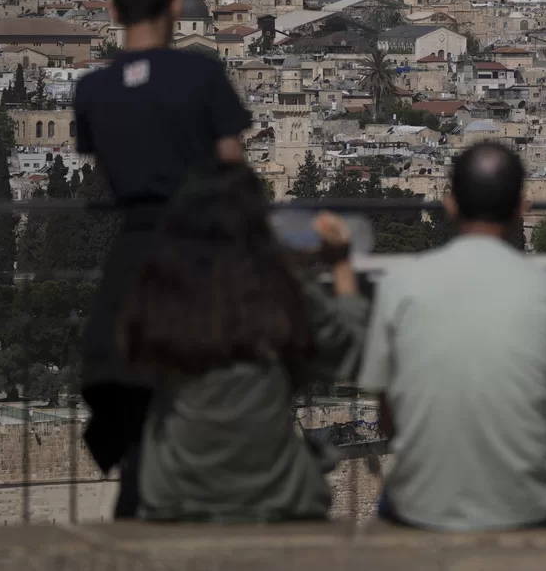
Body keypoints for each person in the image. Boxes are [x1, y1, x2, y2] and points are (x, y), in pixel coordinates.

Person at [74, 0, 251, 518]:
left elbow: (107, 166)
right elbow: (232, 163)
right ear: (176, 6)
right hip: (198, 250)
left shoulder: (93, 90)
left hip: (133, 253)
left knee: (129, 384)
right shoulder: (202, 75)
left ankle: (137, 504)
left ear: (111, 10)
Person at [119, 163, 369, 521]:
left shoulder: (159, 296)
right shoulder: (285, 290)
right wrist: (341, 264)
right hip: (277, 497)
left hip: (176, 496)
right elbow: (352, 353)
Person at [358, 142, 546, 530]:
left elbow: (388, 421)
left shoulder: (398, 285)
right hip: (528, 506)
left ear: (449, 204)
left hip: (422, 505)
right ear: (522, 208)